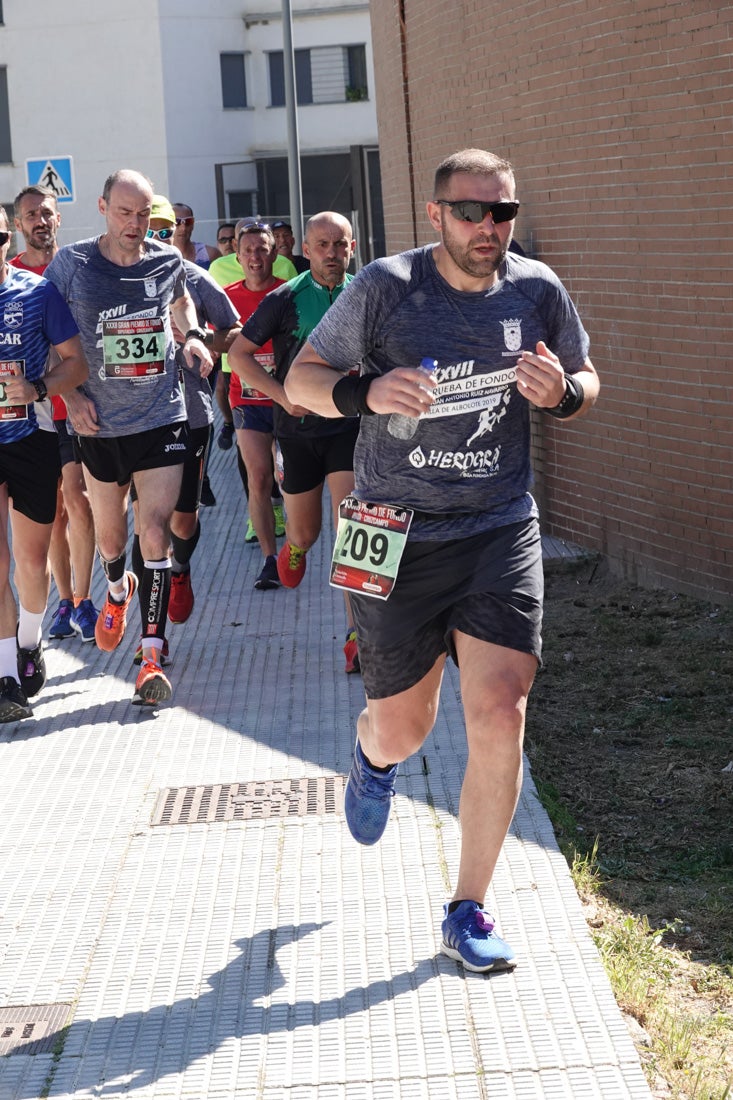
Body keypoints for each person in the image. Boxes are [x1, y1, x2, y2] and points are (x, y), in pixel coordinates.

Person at [285, 149, 600, 971]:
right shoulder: (386, 286)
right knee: (405, 726)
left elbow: (586, 376)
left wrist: (560, 393)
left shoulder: (536, 291)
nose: (489, 228)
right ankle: (370, 754)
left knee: (499, 710)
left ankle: (469, 909)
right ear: (435, 216)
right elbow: (299, 379)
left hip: (497, 526)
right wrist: (363, 394)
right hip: (387, 528)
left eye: (502, 213)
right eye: (471, 212)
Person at [45, 169, 213, 707]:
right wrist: (69, 397)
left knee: (155, 532)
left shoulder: (165, 260)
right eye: (125, 213)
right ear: (101, 207)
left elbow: (181, 303)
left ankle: (151, 653)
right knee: (112, 541)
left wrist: (192, 339)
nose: (136, 224)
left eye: (144, 215)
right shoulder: (71, 264)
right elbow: (46, 333)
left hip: (161, 415)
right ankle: (117, 588)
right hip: (100, 425)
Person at [227, 211, 361, 673]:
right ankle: (296, 547)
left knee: (352, 529)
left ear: (353, 246)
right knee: (307, 532)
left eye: (340, 244)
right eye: (322, 245)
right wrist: (282, 394)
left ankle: (357, 634)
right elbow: (238, 354)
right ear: (305, 248)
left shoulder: (365, 295)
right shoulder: (286, 297)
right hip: (298, 434)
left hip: (347, 429)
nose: (331, 254)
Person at [128, 195, 240, 652]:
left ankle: (181, 570)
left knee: (183, 521)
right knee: (146, 522)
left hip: (189, 413)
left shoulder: (193, 277)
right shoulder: (121, 284)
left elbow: (233, 330)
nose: (152, 237)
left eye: (161, 230)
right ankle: (150, 635)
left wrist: (200, 338)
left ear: (177, 233)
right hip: (136, 419)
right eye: (146, 228)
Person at [0, 203, 88, 721]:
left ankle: (29, 641)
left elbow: (76, 363)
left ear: (7, 237)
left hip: (31, 435)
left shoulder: (37, 292)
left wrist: (37, 386)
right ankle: (6, 675)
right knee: (0, 564)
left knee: (32, 563)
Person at [11, 185, 99, 643]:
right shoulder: (13, 277)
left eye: (47, 213)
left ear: (58, 218)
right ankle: (64, 599)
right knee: (57, 512)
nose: (40, 221)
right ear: (18, 226)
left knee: (80, 498)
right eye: (31, 215)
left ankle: (84, 600)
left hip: (85, 403)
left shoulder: (76, 269)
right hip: (39, 414)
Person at [223, 223, 285, 589]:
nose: (255, 257)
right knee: (258, 478)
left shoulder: (287, 294)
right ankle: (269, 559)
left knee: (289, 479)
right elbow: (215, 340)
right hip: (245, 399)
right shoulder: (227, 298)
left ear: (274, 253)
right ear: (237, 254)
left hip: (287, 399)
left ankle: (296, 544)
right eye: (248, 250)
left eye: (262, 250)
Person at [172, 203, 219, 269]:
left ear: (193, 224)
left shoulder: (210, 255)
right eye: (177, 221)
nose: (183, 228)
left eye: (188, 221)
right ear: (168, 225)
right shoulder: (161, 257)